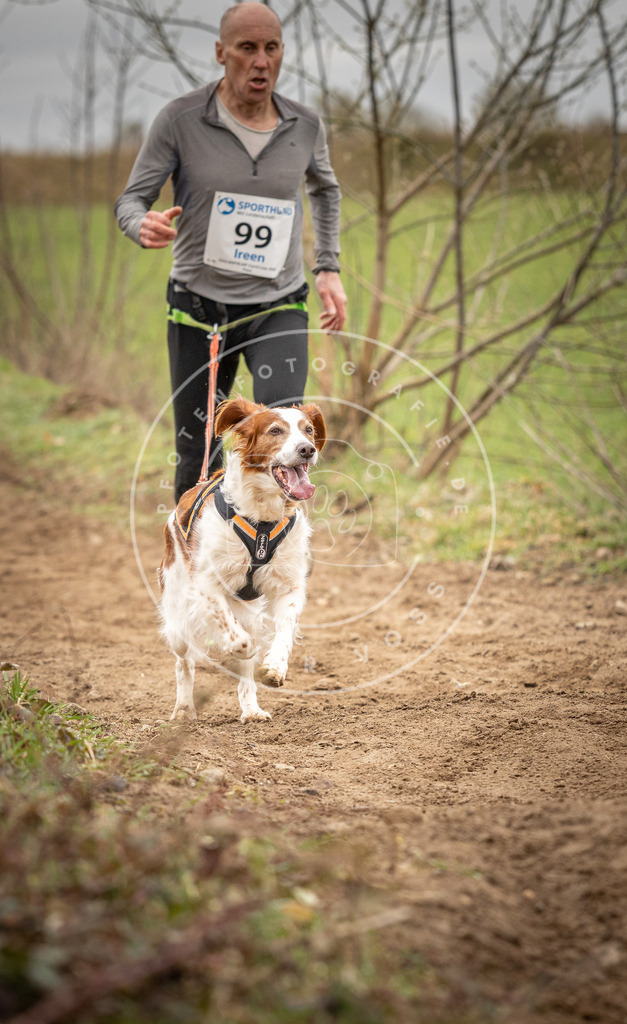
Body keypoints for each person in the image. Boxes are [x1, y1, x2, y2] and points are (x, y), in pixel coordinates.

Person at [115, 1, 346, 501]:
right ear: (222, 52)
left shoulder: (304, 125)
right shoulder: (180, 120)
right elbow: (131, 200)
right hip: (200, 310)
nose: (261, 60)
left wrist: (327, 267)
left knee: (285, 440)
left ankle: (279, 574)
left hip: (278, 304)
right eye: (247, 48)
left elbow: (326, 190)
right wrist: (142, 223)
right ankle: (192, 572)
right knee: (198, 453)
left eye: (271, 48)